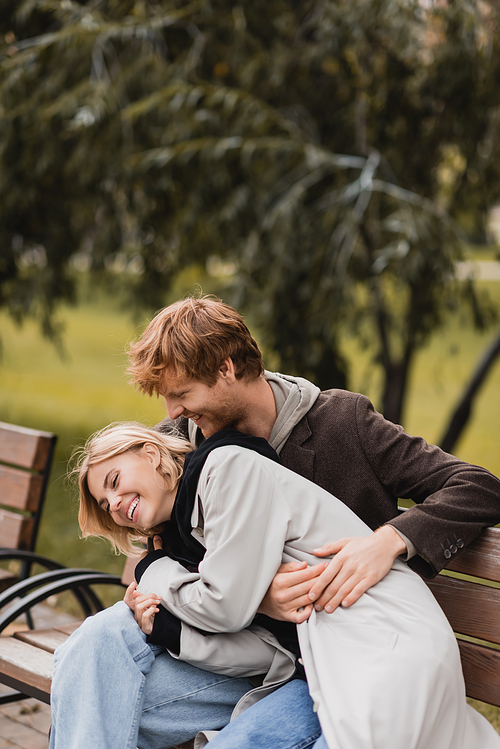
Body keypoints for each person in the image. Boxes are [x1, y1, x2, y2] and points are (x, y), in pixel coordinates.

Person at [49, 295, 500, 749]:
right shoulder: (179, 443)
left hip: (325, 656)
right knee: (93, 654)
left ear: (225, 368)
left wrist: (386, 543)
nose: (171, 412)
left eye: (181, 394)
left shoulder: (341, 423)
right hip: (231, 650)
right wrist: (255, 596)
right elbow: (159, 556)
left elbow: (477, 486)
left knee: (104, 709)